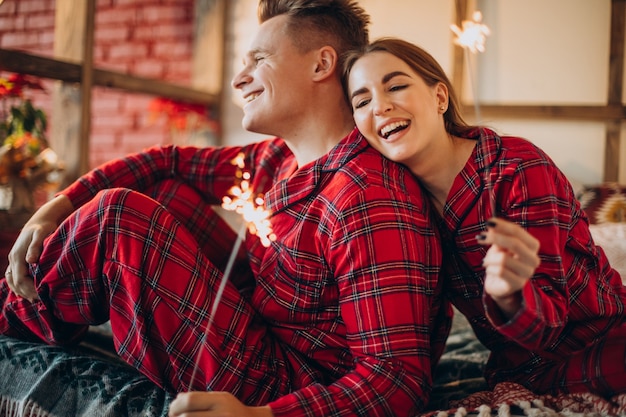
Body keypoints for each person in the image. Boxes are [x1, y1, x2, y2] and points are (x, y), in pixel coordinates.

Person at [0, 4, 450, 417]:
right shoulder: (276, 159)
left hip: (291, 382)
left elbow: (398, 380)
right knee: (170, 194)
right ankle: (27, 306)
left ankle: (10, 318)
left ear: (321, 64)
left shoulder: (368, 198)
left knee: (120, 215)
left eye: (259, 60)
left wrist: (260, 416)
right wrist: (59, 205)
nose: (239, 79)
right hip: (264, 325)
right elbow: (167, 161)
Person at [343, 37, 626, 398]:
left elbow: (548, 327)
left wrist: (509, 294)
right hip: (514, 371)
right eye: (362, 101)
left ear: (440, 98)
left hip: (602, 339)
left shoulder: (517, 167)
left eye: (396, 86)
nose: (379, 107)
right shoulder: (394, 204)